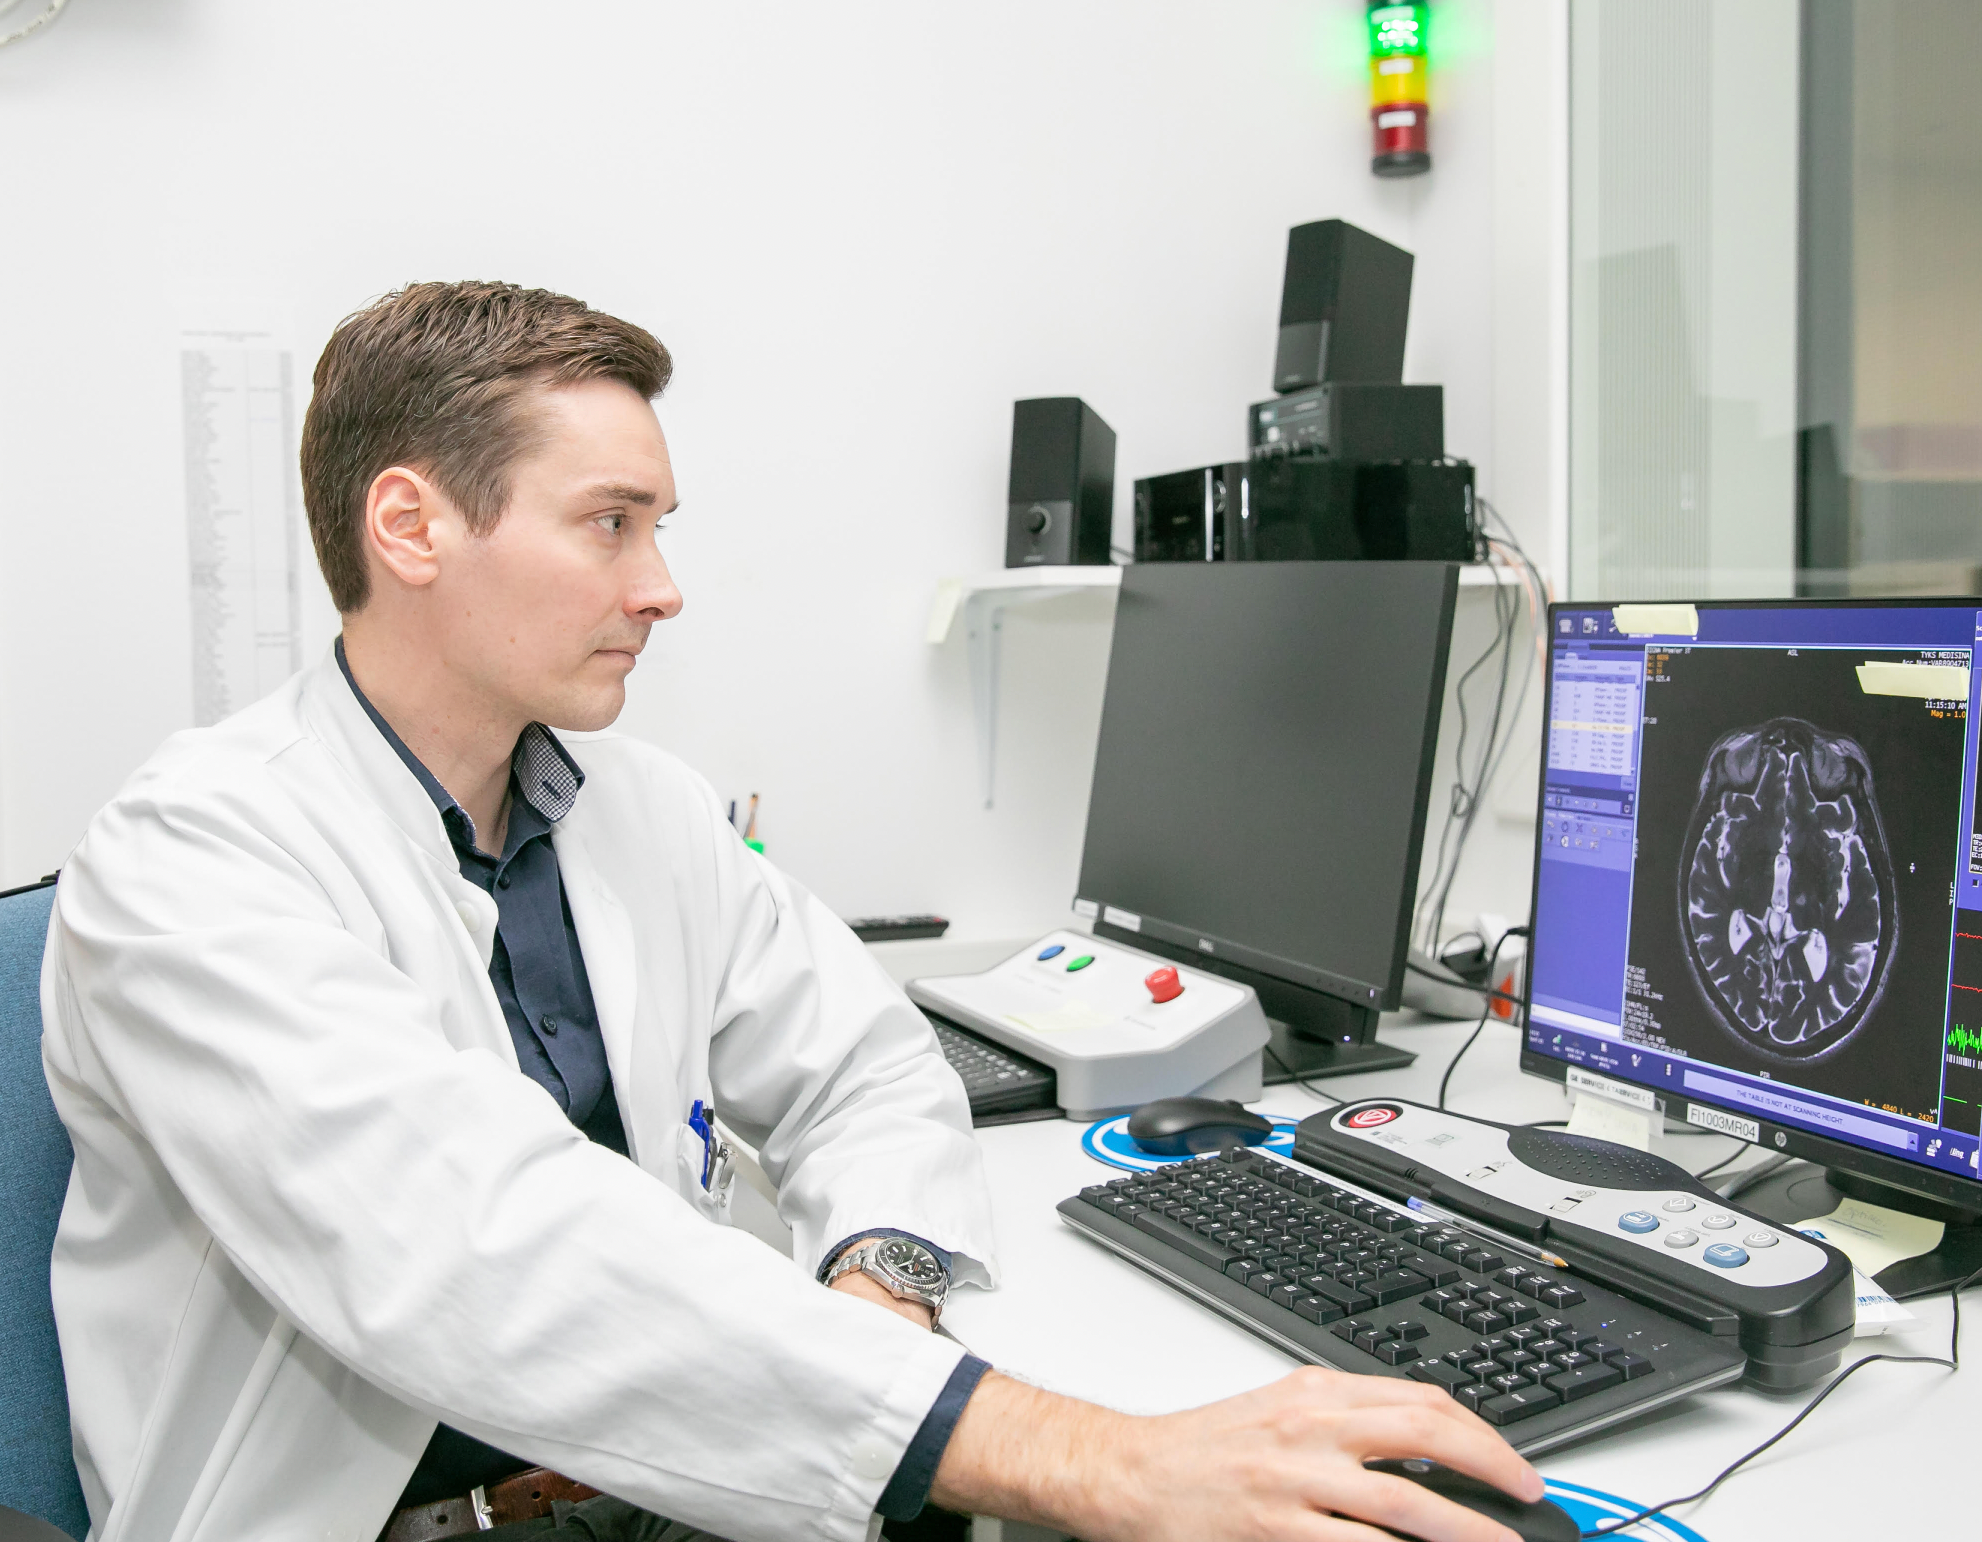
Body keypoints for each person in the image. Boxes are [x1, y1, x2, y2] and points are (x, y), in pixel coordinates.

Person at [41, 281, 1542, 1542]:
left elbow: (865, 1063)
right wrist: (1081, 1453)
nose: (663, 586)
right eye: (611, 524)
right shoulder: (194, 859)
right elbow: (479, 1243)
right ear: (413, 528)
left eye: (660, 525)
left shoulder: (642, 811)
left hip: (647, 1478)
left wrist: (874, 1282)